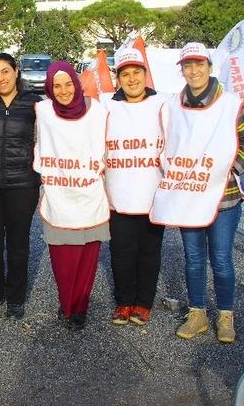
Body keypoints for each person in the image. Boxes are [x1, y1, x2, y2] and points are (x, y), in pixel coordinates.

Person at [149, 42, 244, 343]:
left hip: (223, 198)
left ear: (210, 67)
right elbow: (164, 143)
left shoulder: (231, 103)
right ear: (182, 70)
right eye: (188, 65)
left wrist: (232, 169)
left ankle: (225, 315)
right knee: (193, 258)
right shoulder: (172, 106)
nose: (194, 70)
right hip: (188, 195)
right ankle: (197, 312)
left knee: (221, 258)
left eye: (199, 64)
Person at [33, 61, 110, 330]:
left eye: (68, 84)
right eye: (57, 85)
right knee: (63, 260)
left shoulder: (98, 111)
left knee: (88, 259)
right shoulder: (42, 111)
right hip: (59, 197)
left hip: (89, 195)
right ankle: (66, 303)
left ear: (76, 84)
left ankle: (80, 308)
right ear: (49, 88)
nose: (63, 90)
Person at [100, 48, 167, 326]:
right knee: (121, 251)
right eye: (125, 74)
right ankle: (124, 300)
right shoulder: (106, 104)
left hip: (152, 194)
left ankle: (143, 303)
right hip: (118, 194)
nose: (131, 79)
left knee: (149, 251)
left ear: (145, 74)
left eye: (136, 73)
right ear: (118, 78)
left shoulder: (163, 103)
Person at [0, 53, 42, 320]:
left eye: (5, 71)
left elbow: (65, 117)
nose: (0, 78)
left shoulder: (34, 102)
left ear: (16, 71)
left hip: (22, 185)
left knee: (18, 245)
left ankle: (15, 298)